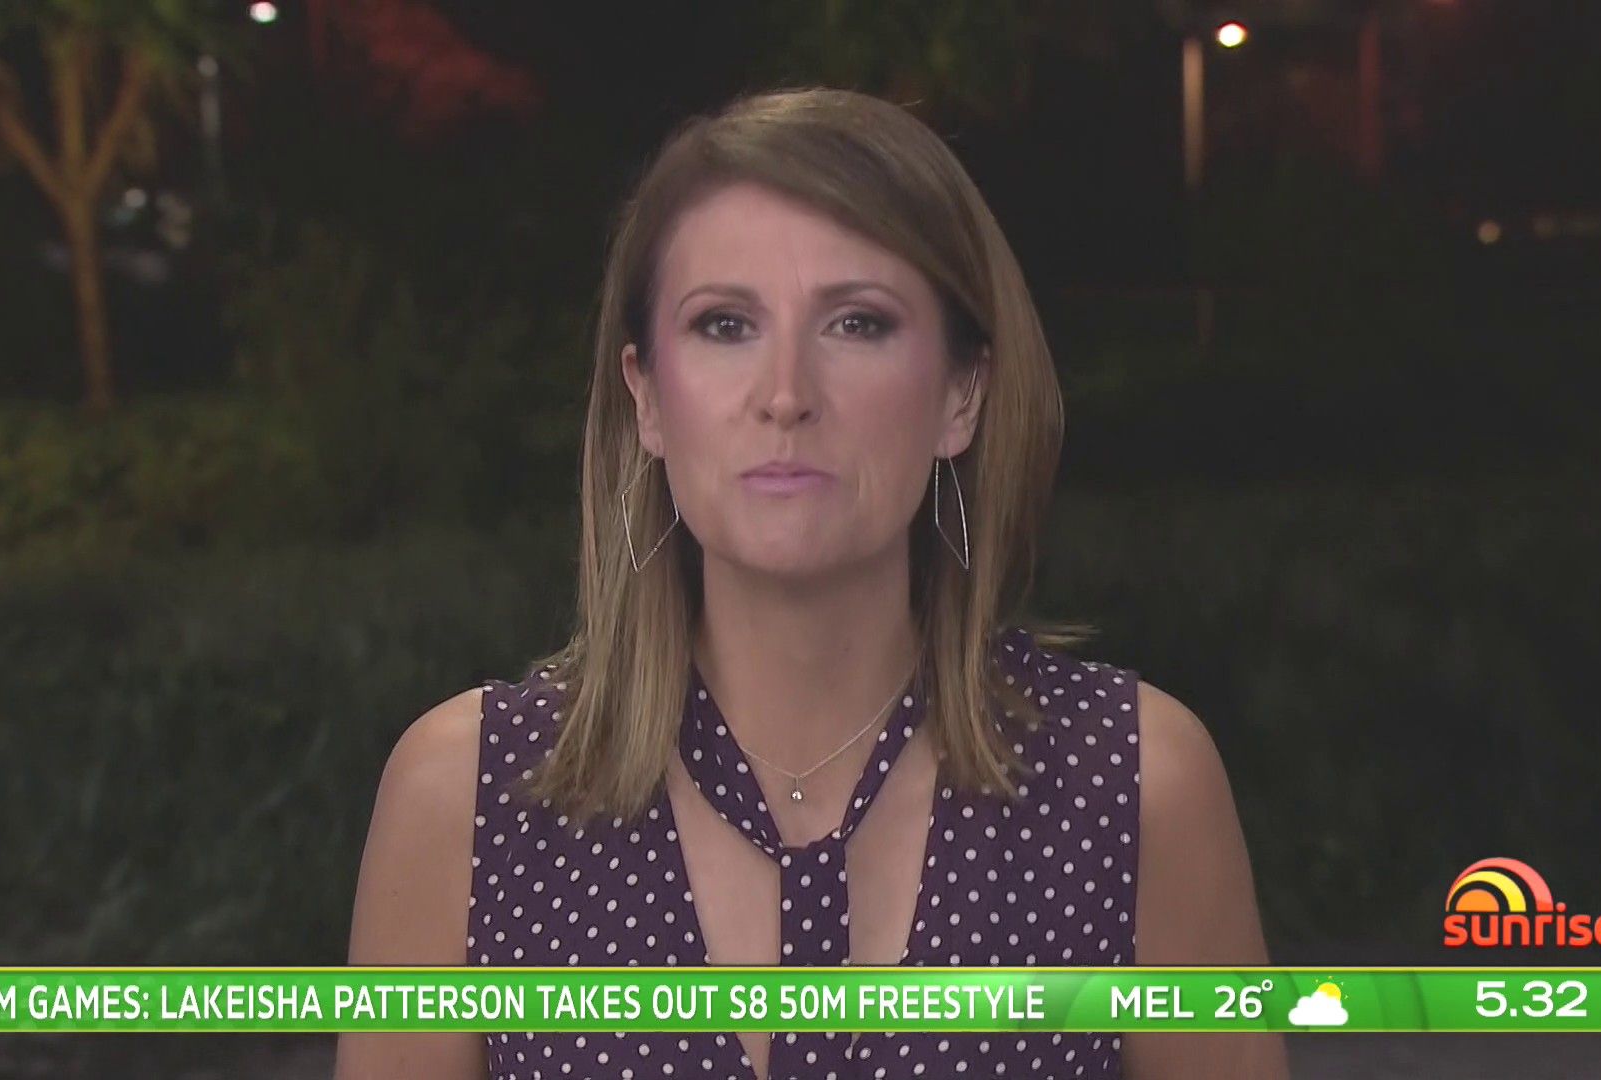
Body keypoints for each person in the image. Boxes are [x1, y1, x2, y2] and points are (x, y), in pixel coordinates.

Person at [336, 86, 1287, 1080]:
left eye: (857, 324)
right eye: (724, 325)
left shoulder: (1131, 784)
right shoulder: (469, 797)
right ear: (647, 396)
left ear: (961, 393)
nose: (786, 395)